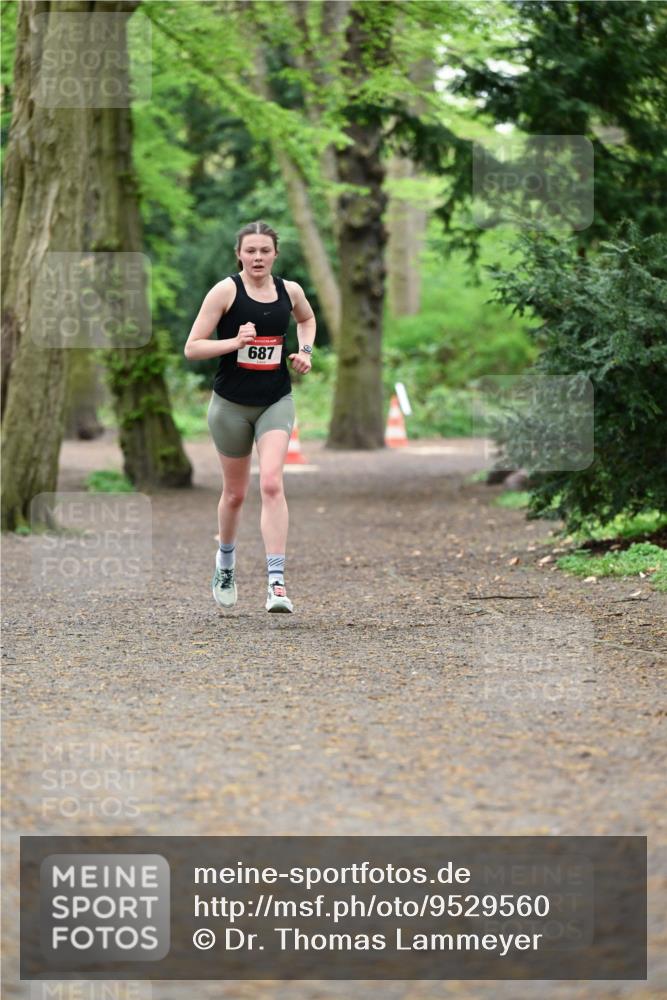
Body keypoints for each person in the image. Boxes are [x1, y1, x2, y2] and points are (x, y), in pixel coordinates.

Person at [184, 221, 316, 614]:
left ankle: (276, 583)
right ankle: (225, 561)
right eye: (250, 251)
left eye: (265, 250)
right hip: (230, 406)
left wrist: (305, 351)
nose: (257, 257)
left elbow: (306, 320)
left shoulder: (290, 291)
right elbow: (193, 347)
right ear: (239, 254)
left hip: (275, 400)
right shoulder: (226, 291)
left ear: (276, 254)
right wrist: (235, 342)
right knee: (236, 494)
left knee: (272, 483)